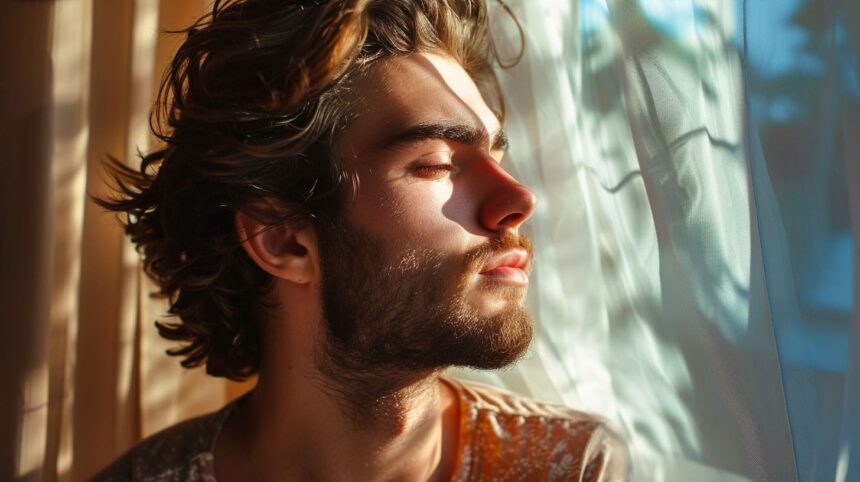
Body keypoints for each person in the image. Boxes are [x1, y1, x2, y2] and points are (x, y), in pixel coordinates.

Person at [93, 0, 629, 480]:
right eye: (436, 164)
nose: (519, 198)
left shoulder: (570, 466)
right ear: (282, 240)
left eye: (497, 155)